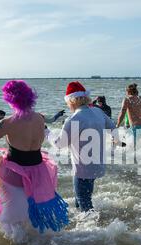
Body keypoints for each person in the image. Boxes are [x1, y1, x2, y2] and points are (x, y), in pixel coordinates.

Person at [0, 80, 69, 244]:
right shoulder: (39, 119)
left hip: (15, 173)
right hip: (38, 171)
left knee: (10, 210)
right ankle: (35, 236)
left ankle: (14, 238)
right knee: (31, 208)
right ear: (30, 97)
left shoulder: (7, 123)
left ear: (10, 100)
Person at [49, 81, 120, 215]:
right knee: (82, 198)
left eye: (68, 102)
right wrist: (115, 142)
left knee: (84, 201)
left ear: (72, 100)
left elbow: (59, 144)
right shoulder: (98, 111)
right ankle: (83, 223)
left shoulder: (74, 119)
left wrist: (47, 133)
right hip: (97, 164)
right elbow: (112, 127)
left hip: (82, 169)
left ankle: (93, 231)